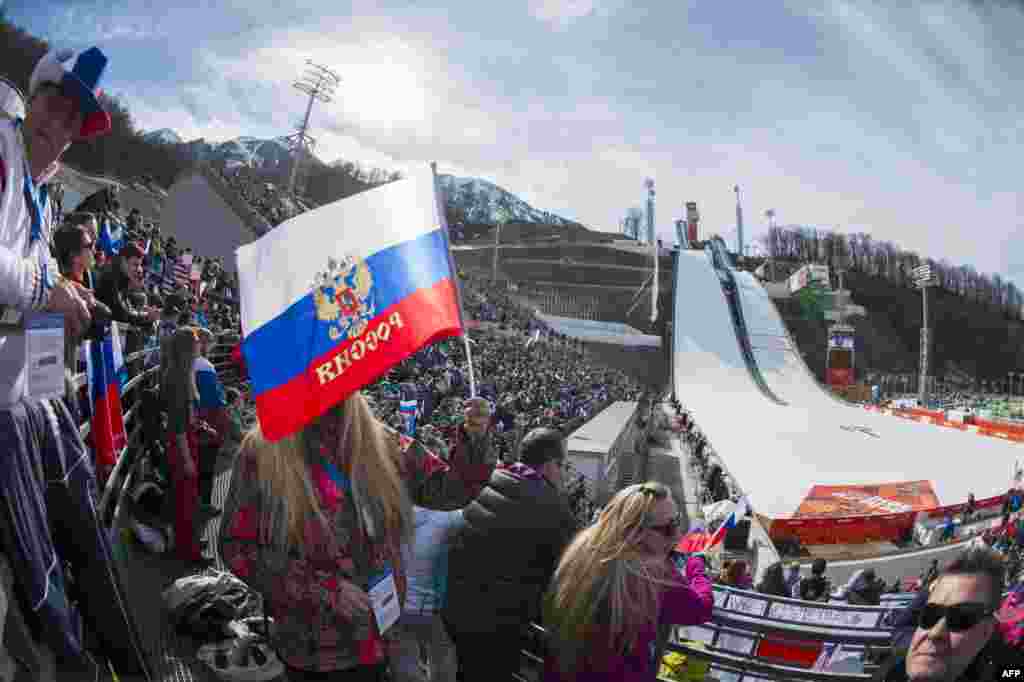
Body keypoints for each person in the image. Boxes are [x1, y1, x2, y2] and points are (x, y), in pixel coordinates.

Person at [0, 45, 149, 678]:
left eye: (70, 120)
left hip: (18, 370)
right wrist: (46, 289)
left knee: (64, 449)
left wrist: (68, 294)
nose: (56, 124)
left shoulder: (38, 192)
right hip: (5, 387)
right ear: (29, 103)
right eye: (50, 105)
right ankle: (61, 639)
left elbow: (33, 287)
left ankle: (98, 648)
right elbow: (25, 282)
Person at [218, 392, 484, 680]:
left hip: (380, 634)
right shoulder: (261, 452)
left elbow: (448, 492)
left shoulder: (382, 440)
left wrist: (473, 439)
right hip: (314, 651)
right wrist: (324, 591)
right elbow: (237, 547)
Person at [543, 481, 713, 681]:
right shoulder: (654, 574)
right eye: (668, 528)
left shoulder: (580, 548)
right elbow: (701, 608)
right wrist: (696, 565)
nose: (677, 535)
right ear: (637, 532)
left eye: (677, 521)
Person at [443, 427, 577, 682]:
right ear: (550, 465)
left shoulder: (490, 477)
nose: (565, 473)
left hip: (457, 610)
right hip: (497, 627)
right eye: (564, 465)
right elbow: (570, 574)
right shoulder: (552, 508)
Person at [873, 548, 1024, 681]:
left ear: (987, 631)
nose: (935, 633)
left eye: (961, 618)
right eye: (930, 615)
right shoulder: (894, 668)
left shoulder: (1006, 669)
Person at [389, 505, 464, 682]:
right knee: (442, 659)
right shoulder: (449, 517)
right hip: (430, 607)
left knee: (406, 666)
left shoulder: (392, 513)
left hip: (399, 606)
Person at [162, 327, 206, 566]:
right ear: (187, 348)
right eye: (197, 341)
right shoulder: (178, 376)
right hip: (180, 442)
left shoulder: (183, 372)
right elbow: (177, 422)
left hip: (185, 438)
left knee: (189, 496)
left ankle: (190, 543)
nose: (200, 345)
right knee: (185, 498)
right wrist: (186, 456)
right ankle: (188, 553)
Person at [94, 240, 160, 328]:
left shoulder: (122, 276)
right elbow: (122, 314)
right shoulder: (111, 276)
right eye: (135, 265)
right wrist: (147, 316)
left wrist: (145, 313)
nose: (139, 269)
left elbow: (127, 308)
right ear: (123, 260)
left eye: (140, 265)